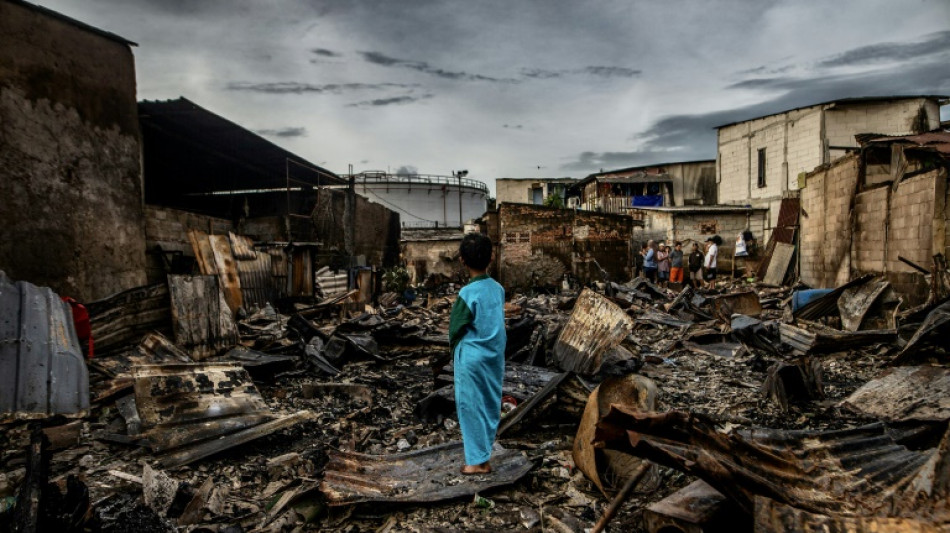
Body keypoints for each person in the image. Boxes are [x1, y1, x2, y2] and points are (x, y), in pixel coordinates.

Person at [449, 233, 507, 475]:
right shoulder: (498, 289)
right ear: (491, 258)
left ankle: (476, 463)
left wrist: (455, 352)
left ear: (462, 260)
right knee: (490, 404)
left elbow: (455, 328)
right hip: (494, 356)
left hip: (471, 359)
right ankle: (484, 456)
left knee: (470, 407)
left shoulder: (466, 294)